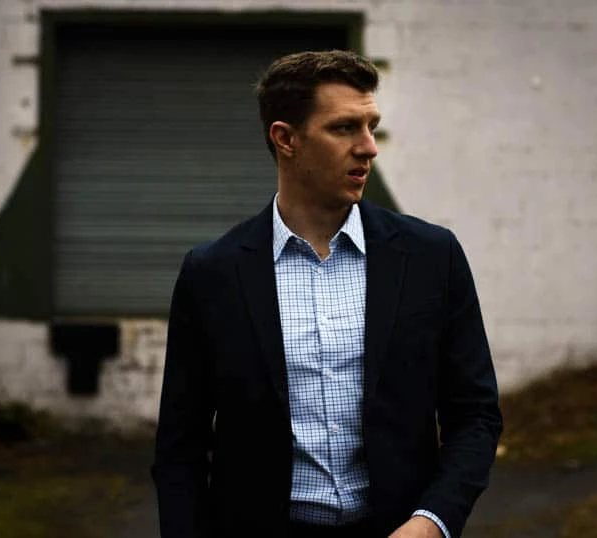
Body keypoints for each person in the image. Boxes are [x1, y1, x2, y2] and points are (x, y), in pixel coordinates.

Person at [152, 50, 502, 538]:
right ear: (286, 139)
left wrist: (432, 522)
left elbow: (476, 415)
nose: (368, 147)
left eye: (371, 127)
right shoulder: (213, 272)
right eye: (344, 128)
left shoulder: (431, 257)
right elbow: (180, 448)